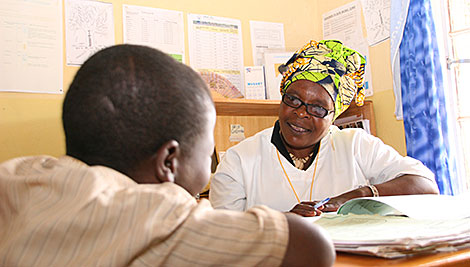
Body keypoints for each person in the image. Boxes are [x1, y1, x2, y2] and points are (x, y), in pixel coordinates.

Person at [0, 45, 335, 266]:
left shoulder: (18, 175)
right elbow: (313, 247)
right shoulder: (159, 214)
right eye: (207, 155)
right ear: (168, 163)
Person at [210, 40, 439, 216]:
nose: (301, 113)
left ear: (334, 116)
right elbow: (221, 235)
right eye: (293, 99)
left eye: (318, 108)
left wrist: (358, 195)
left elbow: (425, 185)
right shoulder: (239, 160)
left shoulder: (355, 145)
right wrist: (283, 222)